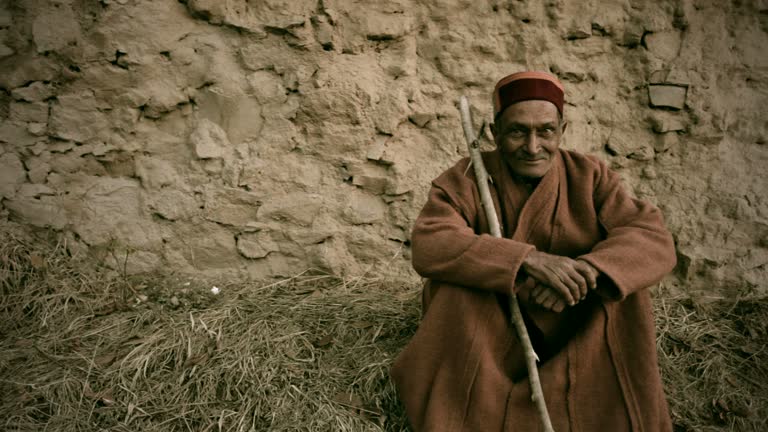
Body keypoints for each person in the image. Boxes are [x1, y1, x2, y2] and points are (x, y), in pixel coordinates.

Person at [391, 71, 677, 431]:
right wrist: (526, 261)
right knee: (453, 291)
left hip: (572, 325)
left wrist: (585, 274)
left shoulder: (590, 176)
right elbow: (431, 243)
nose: (532, 146)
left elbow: (650, 236)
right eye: (517, 131)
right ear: (495, 134)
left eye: (545, 131)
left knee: (629, 292)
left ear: (562, 130)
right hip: (493, 331)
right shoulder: (465, 178)